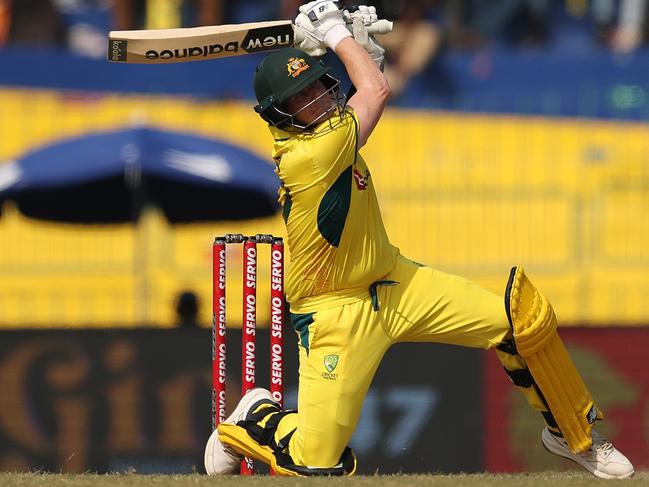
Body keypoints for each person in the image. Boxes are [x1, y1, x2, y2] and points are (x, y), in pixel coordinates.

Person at [204, 0, 635, 478]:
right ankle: (254, 419)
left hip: (396, 282)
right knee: (314, 464)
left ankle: (572, 435)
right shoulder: (309, 156)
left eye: (315, 87)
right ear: (280, 116)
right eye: (300, 98)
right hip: (335, 313)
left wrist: (361, 47)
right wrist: (334, 33)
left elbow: (362, 97)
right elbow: (376, 90)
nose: (317, 100)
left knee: (520, 323)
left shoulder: (330, 133)